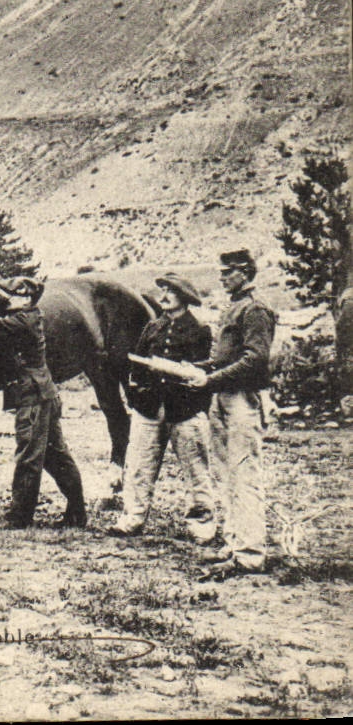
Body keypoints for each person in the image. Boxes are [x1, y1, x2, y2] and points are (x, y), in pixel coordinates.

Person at [0, 265, 86, 529]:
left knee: (28, 456)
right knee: (56, 455)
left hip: (32, 398)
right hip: (44, 395)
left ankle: (19, 517)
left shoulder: (22, 321)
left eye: (15, 296)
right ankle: (77, 512)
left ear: (27, 299)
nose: (8, 299)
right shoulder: (25, 311)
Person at [169, 248, 275, 578]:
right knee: (226, 475)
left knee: (244, 476)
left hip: (242, 399)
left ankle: (250, 554)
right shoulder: (236, 307)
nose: (223, 277)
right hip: (223, 398)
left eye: (229, 272)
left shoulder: (255, 309)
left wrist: (209, 379)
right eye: (222, 271)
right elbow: (224, 359)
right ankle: (234, 543)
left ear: (245, 273)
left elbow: (254, 360)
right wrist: (195, 368)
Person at [107, 274, 216, 540]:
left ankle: (201, 524)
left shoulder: (199, 329)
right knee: (138, 466)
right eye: (163, 291)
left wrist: (195, 405)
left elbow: (204, 372)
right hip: (149, 409)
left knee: (196, 469)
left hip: (184, 411)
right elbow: (137, 367)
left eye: (171, 292)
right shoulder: (153, 328)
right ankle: (132, 518)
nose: (164, 296)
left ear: (184, 298)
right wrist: (137, 398)